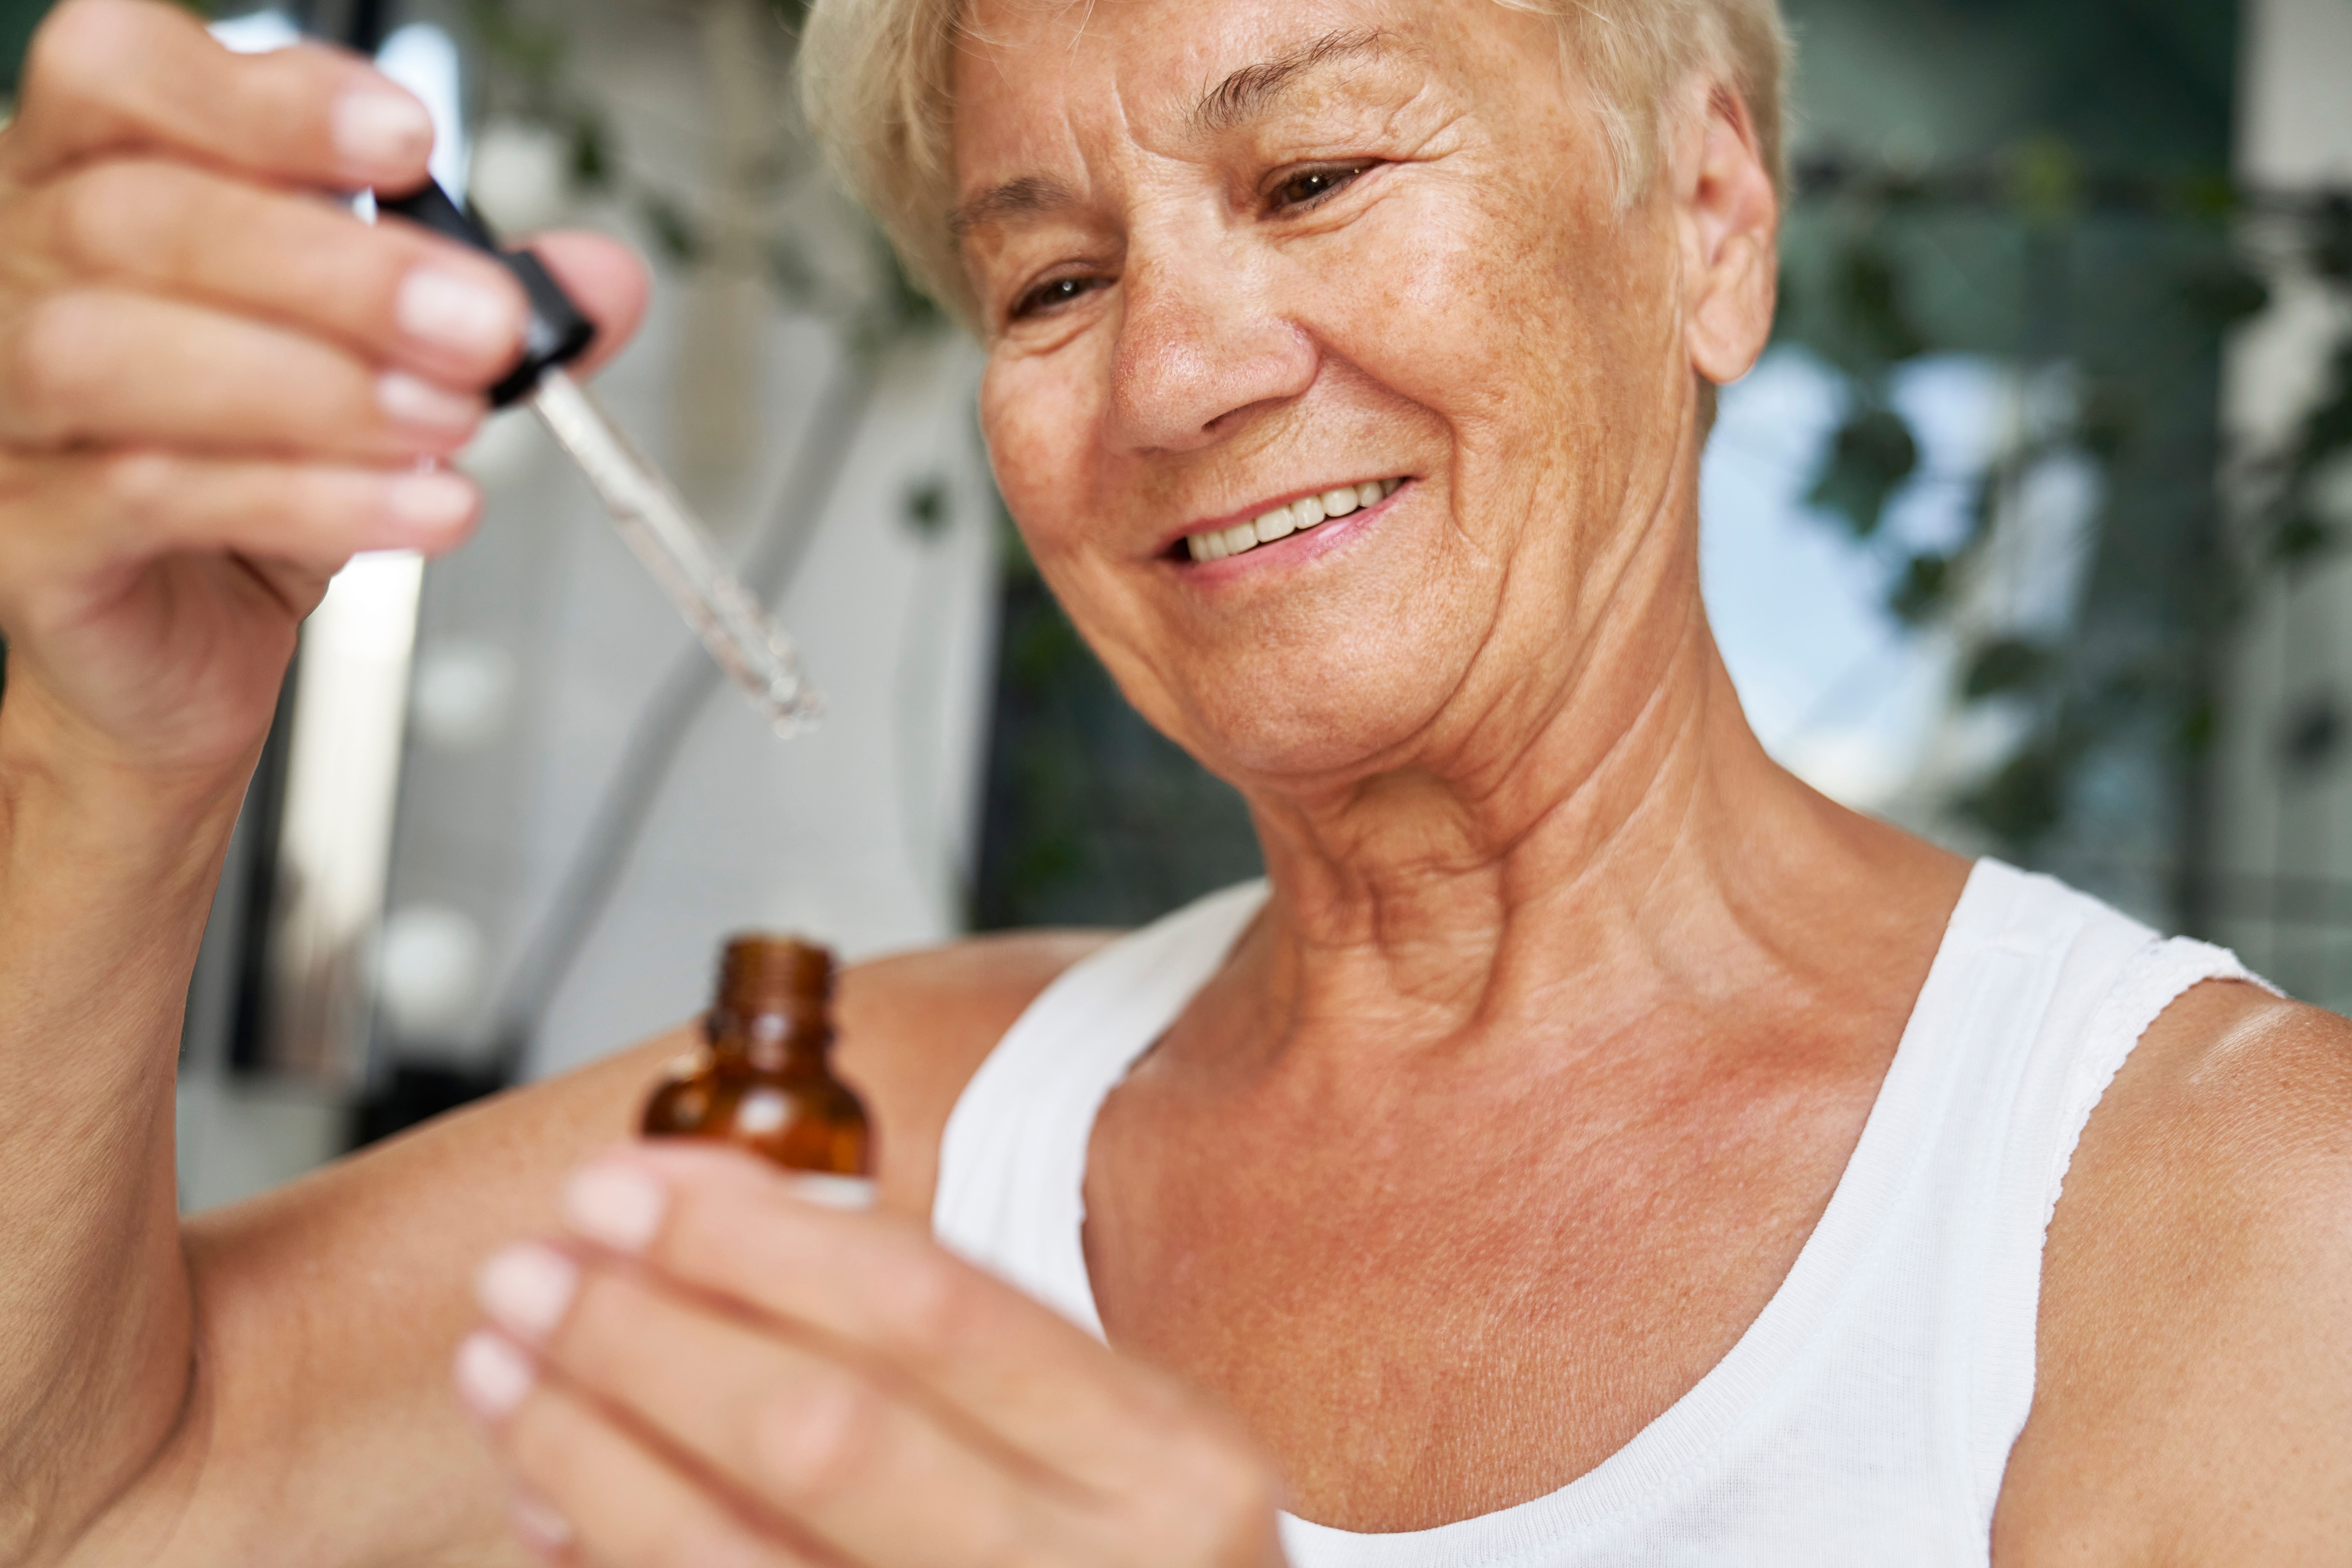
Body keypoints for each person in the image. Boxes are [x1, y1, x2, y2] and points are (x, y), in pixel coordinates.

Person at [0, 0, 2345, 1562]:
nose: (1184, 374)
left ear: (1707, 220)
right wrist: (113, 753)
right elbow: (95, 1498)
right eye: (1049, 285)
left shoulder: (2228, 1218)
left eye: (1316, 174)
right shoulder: (880, 1127)